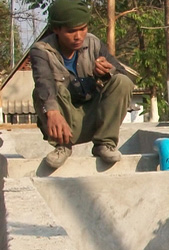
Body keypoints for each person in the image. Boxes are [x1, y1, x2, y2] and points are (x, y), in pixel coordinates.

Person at [31, 0, 136, 169]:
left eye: (83, 29)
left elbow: (123, 76)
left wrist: (105, 73)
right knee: (44, 93)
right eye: (71, 31)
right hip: (64, 122)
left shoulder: (93, 43)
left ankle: (105, 144)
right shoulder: (42, 51)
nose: (78, 36)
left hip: (96, 119)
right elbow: (43, 83)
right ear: (57, 29)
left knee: (121, 81)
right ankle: (62, 146)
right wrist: (51, 112)